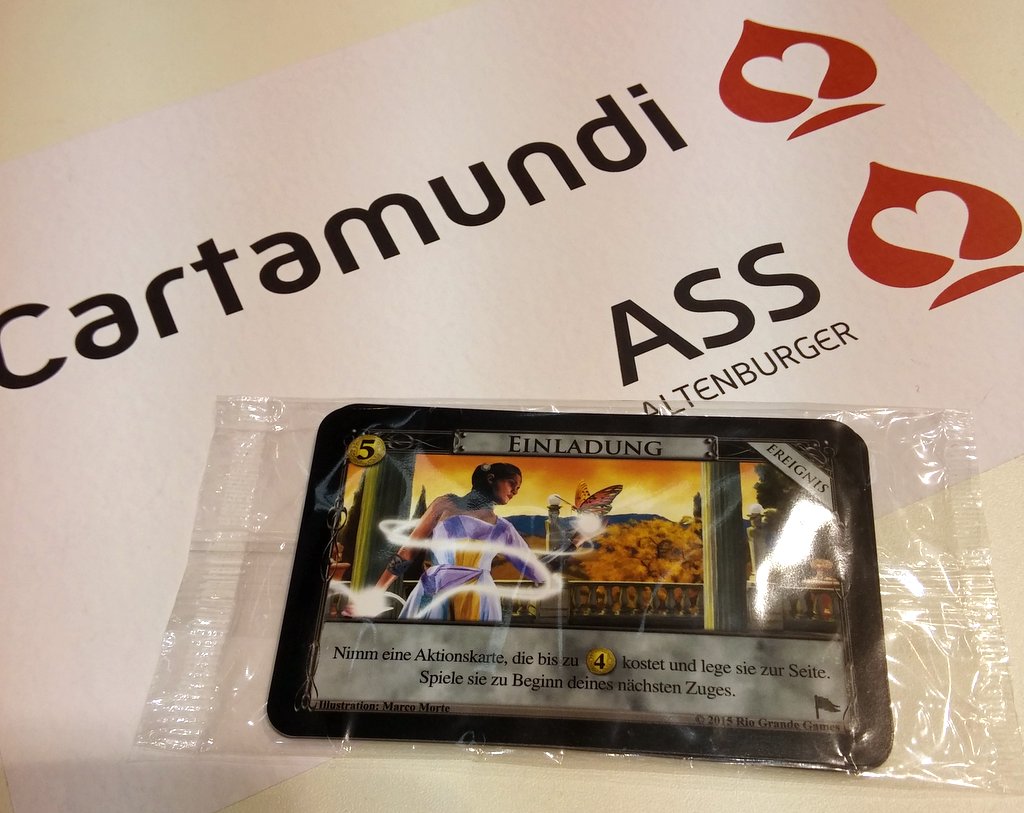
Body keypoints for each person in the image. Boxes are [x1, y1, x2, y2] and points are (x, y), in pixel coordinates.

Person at [374, 462, 546, 621]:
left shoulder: (504, 528)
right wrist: (376, 592)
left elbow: (534, 568)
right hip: (436, 590)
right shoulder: (443, 505)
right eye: (511, 483)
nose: (515, 491)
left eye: (518, 488)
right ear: (491, 478)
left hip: (477, 597)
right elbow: (408, 552)